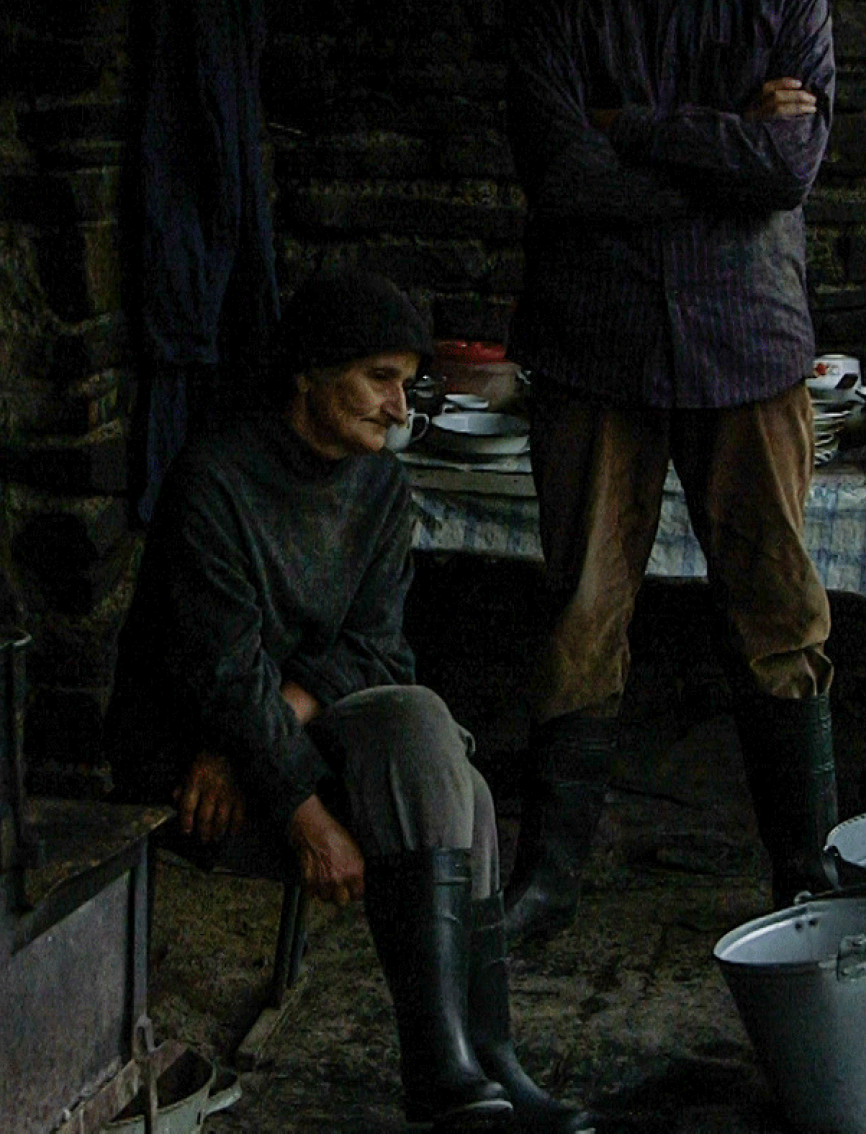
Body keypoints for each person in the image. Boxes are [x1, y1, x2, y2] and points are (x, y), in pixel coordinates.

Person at [107, 270, 591, 1134]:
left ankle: (476, 1059)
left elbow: (378, 650)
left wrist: (280, 718)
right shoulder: (213, 482)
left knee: (421, 723)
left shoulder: (380, 491)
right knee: (461, 789)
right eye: (379, 378)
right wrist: (306, 818)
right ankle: (453, 1064)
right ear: (308, 372)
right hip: (188, 761)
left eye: (408, 382)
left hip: (272, 735)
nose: (401, 409)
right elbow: (220, 676)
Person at [498, 0, 839, 938]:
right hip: (596, 346)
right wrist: (717, 152)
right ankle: (548, 880)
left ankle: (805, 873)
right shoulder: (557, 0)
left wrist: (634, 127)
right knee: (582, 606)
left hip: (748, 343)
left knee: (778, 603)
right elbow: (562, 179)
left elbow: (789, 166)